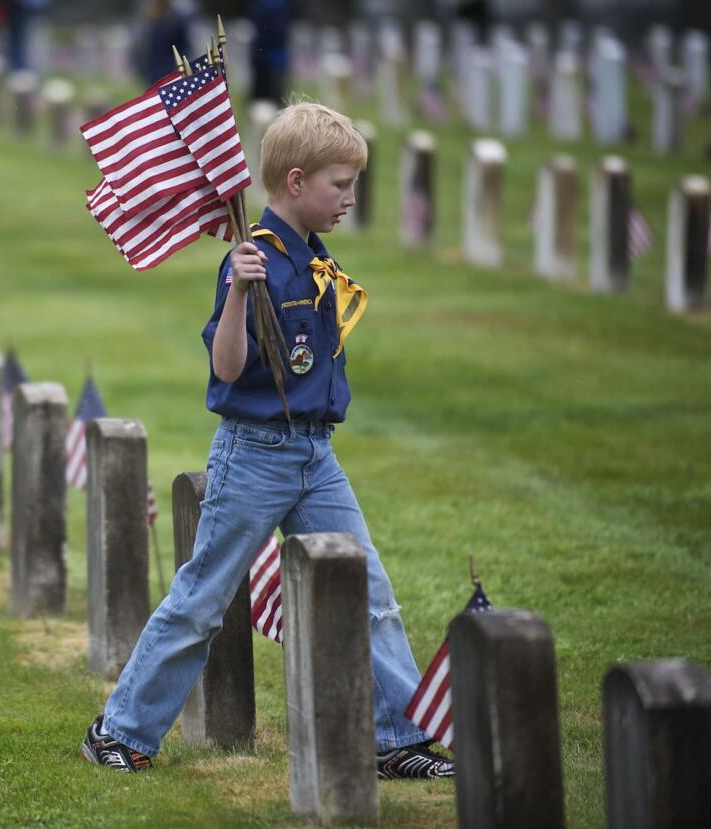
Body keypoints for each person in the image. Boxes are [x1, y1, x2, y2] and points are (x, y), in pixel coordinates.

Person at [79, 102, 453, 780]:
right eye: (340, 184)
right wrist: (237, 298)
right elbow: (226, 367)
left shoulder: (314, 258)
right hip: (255, 455)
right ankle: (120, 728)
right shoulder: (249, 262)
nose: (349, 197)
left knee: (369, 590)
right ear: (298, 179)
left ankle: (395, 736)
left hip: (317, 455)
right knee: (203, 598)